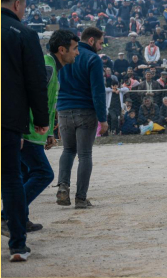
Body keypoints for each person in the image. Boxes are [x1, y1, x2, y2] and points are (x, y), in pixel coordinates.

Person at [2, 30, 80, 235]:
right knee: (43, 173)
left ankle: (21, 218)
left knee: (25, 174)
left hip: (32, 132)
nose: (77, 53)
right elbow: (27, 96)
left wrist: (49, 134)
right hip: (26, 132)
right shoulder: (46, 66)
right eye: (75, 48)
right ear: (62, 50)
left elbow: (47, 102)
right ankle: (7, 215)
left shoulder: (51, 66)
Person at [2, 0, 50, 262]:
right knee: (11, 180)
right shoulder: (24, 34)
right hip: (7, 118)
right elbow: (35, 81)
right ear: (18, 4)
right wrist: (41, 120)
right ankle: (18, 246)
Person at [56, 26, 109, 209]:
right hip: (85, 111)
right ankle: (80, 198)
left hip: (63, 110)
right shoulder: (93, 59)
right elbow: (98, 92)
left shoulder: (62, 56)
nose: (101, 47)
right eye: (101, 43)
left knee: (68, 151)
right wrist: (103, 119)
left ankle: (62, 187)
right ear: (92, 40)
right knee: (84, 154)